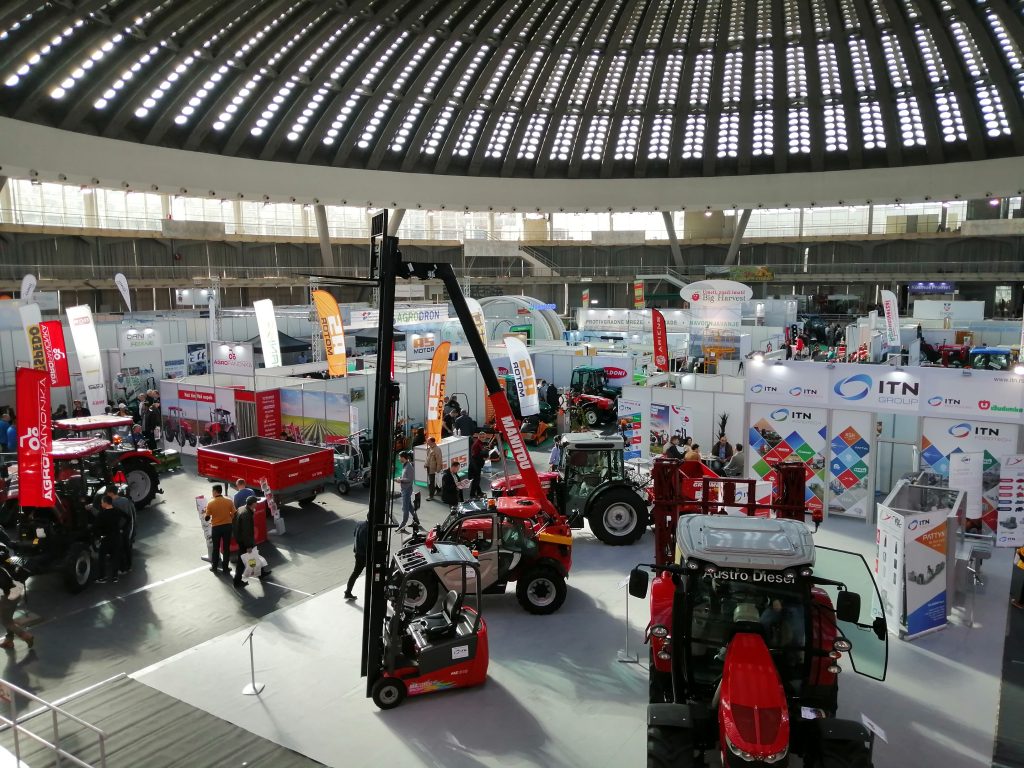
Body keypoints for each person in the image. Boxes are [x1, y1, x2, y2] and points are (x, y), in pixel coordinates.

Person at [204, 484, 236, 576]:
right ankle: (225, 567)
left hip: (216, 528)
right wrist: (229, 518)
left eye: (212, 491)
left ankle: (214, 567)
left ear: (215, 491)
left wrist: (206, 513)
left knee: (216, 548)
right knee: (226, 548)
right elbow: (234, 513)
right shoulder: (229, 501)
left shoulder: (210, 503)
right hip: (227, 527)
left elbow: (207, 517)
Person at [104, 486, 135, 574]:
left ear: (110, 493)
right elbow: (130, 515)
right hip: (127, 527)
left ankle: (122, 568)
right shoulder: (126, 500)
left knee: (119, 549)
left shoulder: (113, 503)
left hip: (118, 529)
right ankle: (129, 566)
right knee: (127, 547)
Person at [0, 564, 32, 650]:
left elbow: (5, 584)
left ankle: (26, 636)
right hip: (16, 593)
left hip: (8, 596)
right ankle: (9, 640)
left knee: (5, 621)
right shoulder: (4, 565)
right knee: (8, 618)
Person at [95, 496, 125, 583]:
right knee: (115, 557)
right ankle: (115, 577)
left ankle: (102, 577)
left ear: (105, 503)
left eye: (102, 502)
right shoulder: (117, 511)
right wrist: (122, 528)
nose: (101, 504)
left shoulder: (102, 514)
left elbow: (96, 527)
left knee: (102, 558)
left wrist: (100, 535)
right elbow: (128, 518)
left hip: (106, 538)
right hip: (117, 537)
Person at [232, 496, 257, 588]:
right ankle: (237, 581)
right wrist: (248, 545)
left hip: (240, 539)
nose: (257, 504)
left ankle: (261, 572)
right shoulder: (246, 515)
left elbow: (234, 521)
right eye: (256, 502)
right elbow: (246, 531)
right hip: (244, 541)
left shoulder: (241, 509)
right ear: (253, 504)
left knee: (247, 557)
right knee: (241, 562)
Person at [345, 519, 369, 600]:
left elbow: (354, 534)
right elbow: (367, 545)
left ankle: (348, 592)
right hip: (364, 555)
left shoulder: (359, 523)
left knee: (355, 573)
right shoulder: (368, 529)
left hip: (358, 552)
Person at [396, 451, 416, 532]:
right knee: (409, 506)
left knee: (405, 508)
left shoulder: (409, 467)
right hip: (405, 489)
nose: (398, 458)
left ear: (403, 457)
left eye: (399, 457)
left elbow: (410, 479)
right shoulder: (405, 465)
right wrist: (400, 478)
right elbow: (405, 476)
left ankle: (403, 525)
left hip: (407, 490)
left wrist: (400, 480)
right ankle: (416, 519)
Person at [424, 437, 443, 501]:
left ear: (432, 442)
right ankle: (438, 491)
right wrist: (426, 464)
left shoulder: (437, 449)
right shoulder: (430, 448)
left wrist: (438, 469)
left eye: (428, 441)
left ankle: (431, 496)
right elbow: (428, 458)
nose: (427, 442)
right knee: (434, 481)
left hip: (433, 469)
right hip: (429, 467)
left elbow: (439, 460)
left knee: (431, 482)